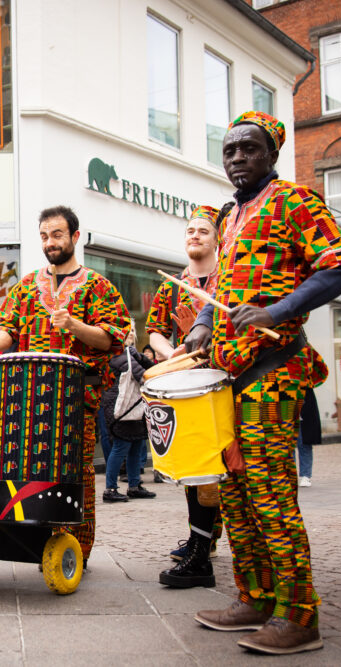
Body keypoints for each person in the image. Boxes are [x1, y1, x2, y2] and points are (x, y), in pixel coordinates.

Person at [183, 112, 341, 654]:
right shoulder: (227, 212)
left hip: (272, 372)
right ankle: (255, 598)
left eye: (249, 149)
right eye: (229, 149)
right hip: (225, 378)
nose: (237, 157)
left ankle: (299, 614)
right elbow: (217, 282)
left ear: (272, 153)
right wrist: (200, 326)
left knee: (269, 495)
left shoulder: (295, 201)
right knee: (234, 495)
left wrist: (277, 309)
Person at [0, 205, 131, 565]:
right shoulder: (27, 284)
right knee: (27, 468)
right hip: (27, 397)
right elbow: (7, 327)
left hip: (76, 399)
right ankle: (29, 542)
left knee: (75, 473)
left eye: (58, 234)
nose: (50, 242)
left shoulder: (98, 286)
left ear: (75, 237)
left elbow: (114, 339)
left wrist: (75, 326)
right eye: (45, 236)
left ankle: (77, 550)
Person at [145, 205, 223, 588]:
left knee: (226, 469)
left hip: (228, 379)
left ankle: (207, 538)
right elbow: (155, 331)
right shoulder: (170, 285)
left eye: (202, 231)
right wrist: (168, 353)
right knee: (197, 467)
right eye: (189, 231)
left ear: (216, 239)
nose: (194, 235)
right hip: (191, 381)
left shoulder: (229, 280)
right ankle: (200, 541)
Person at [99, 330, 156, 502]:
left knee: (136, 445)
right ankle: (110, 489)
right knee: (121, 447)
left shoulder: (129, 354)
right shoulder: (119, 357)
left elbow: (148, 366)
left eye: (132, 330)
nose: (131, 334)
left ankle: (134, 485)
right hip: (122, 409)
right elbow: (145, 374)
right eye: (126, 331)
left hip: (131, 407)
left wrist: (135, 353)